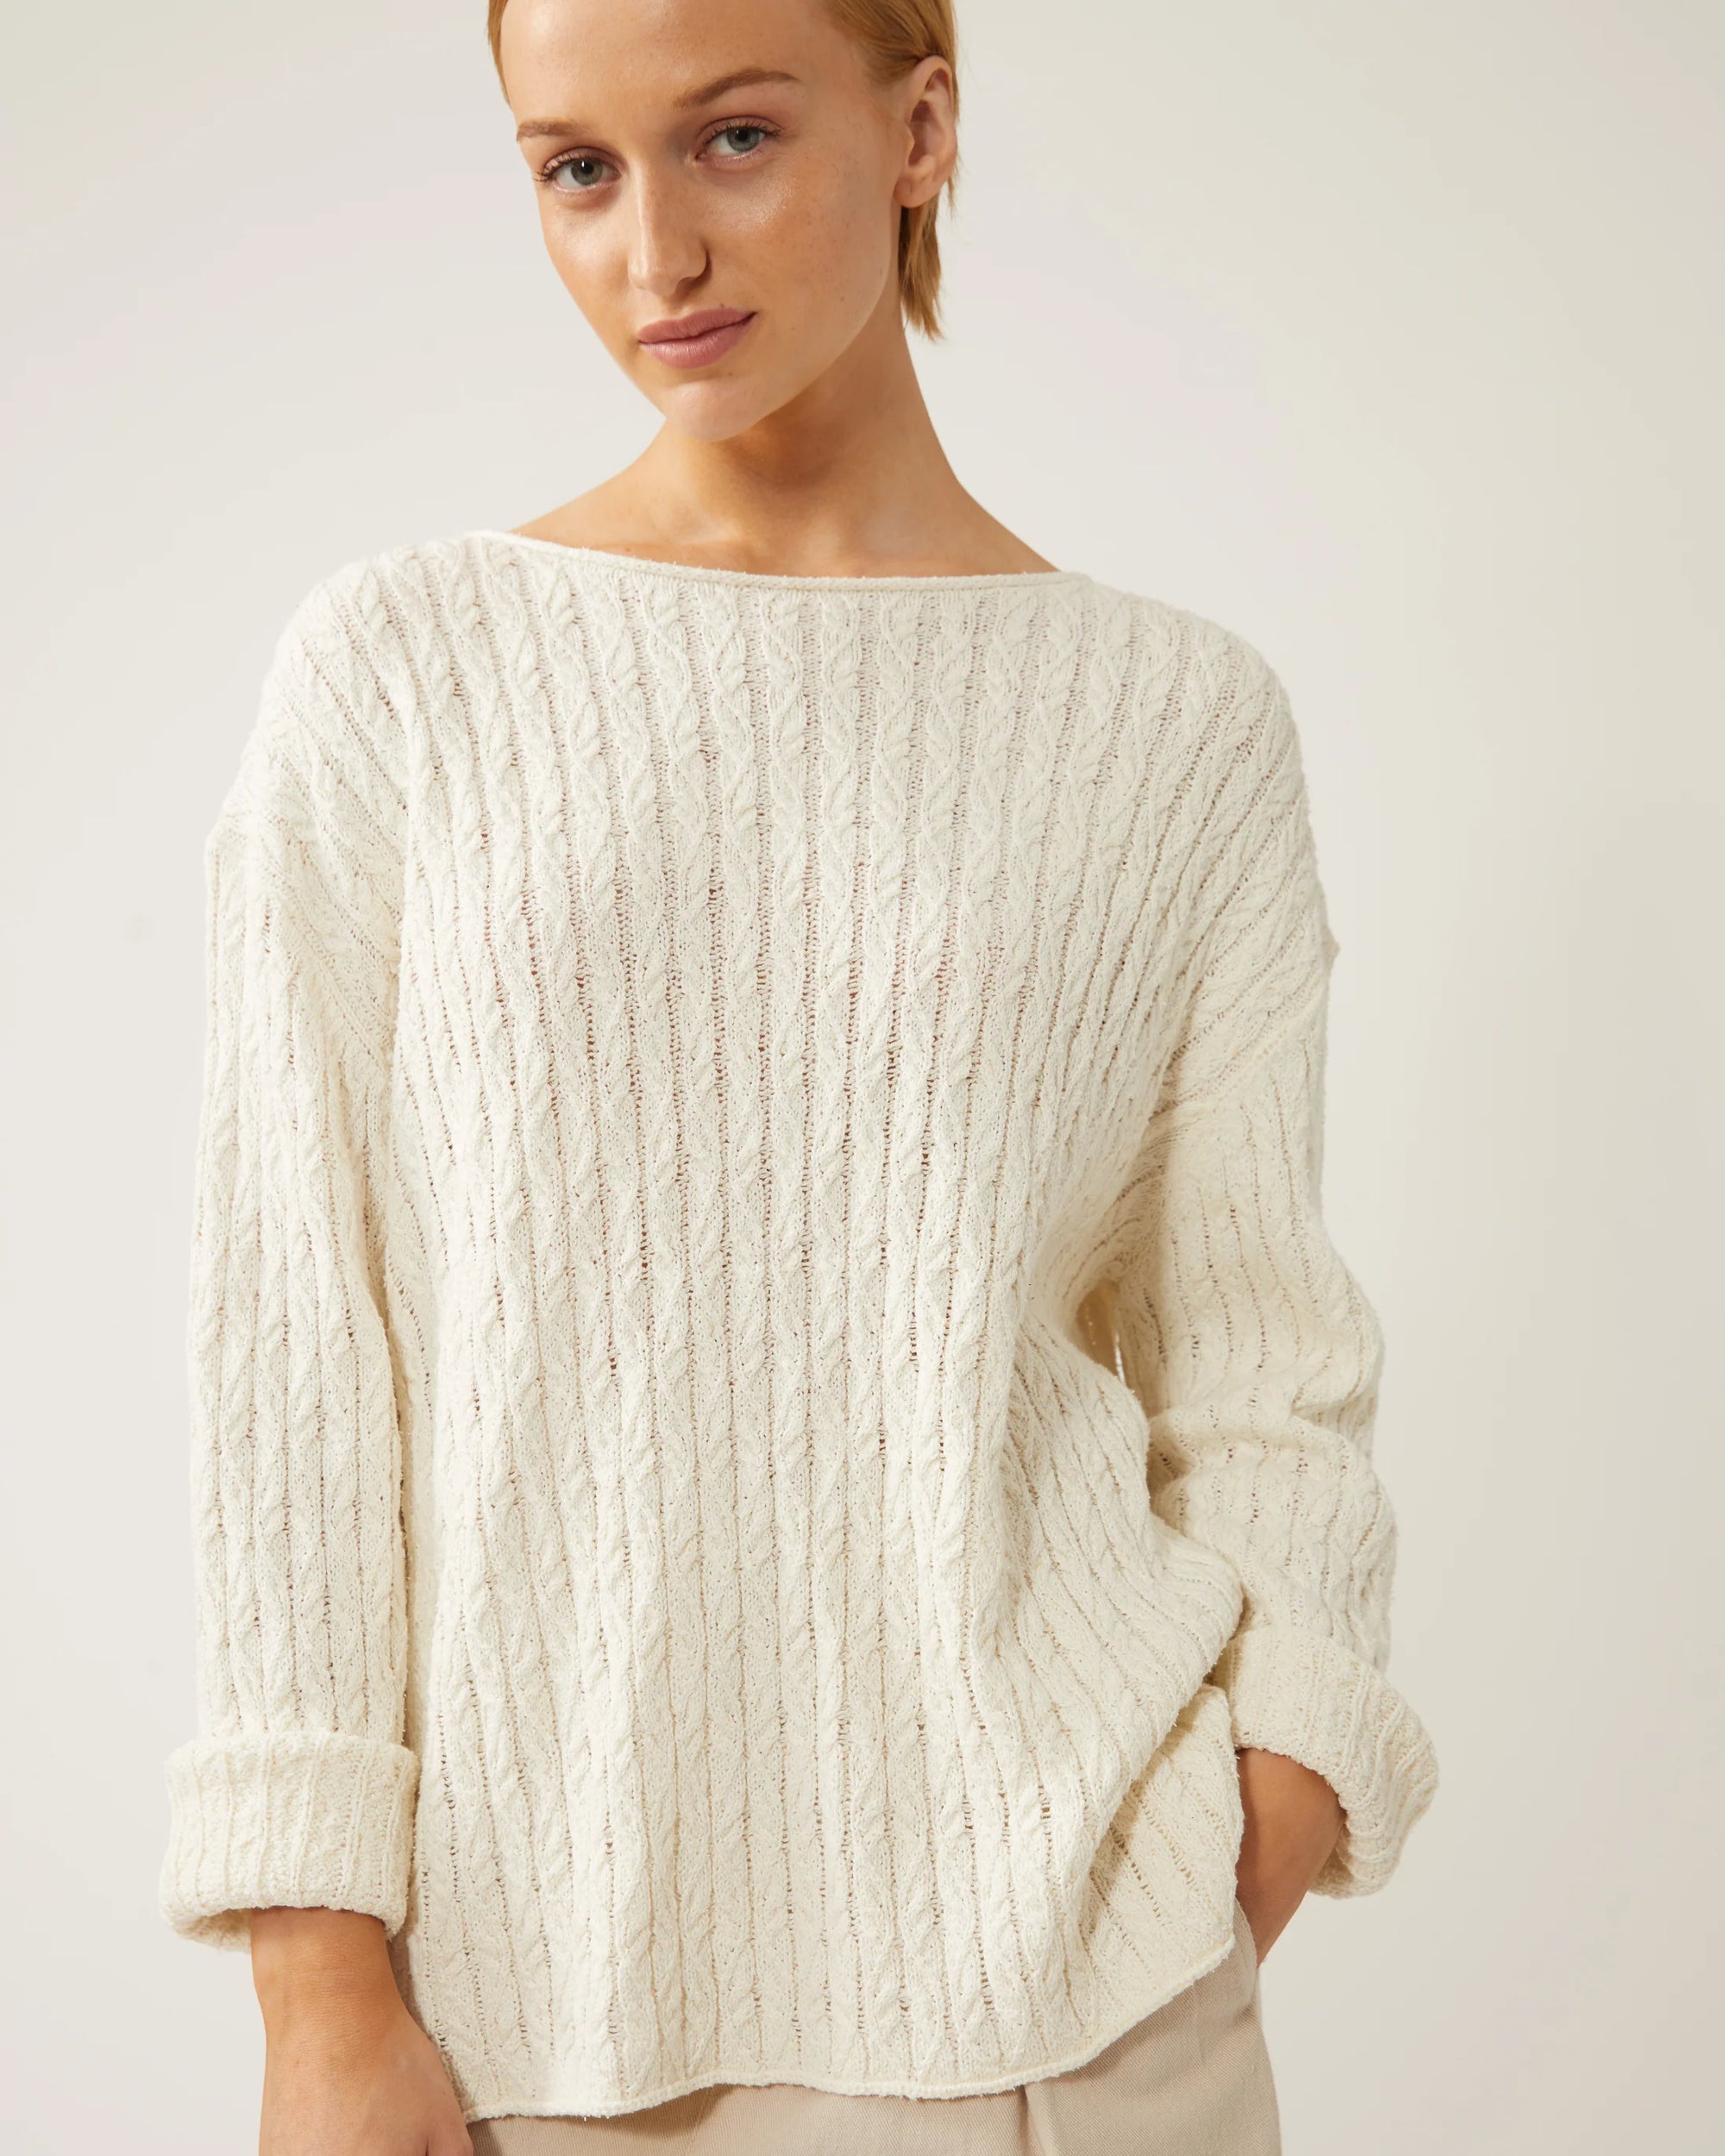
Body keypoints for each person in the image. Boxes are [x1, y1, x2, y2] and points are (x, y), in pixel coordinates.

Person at [158, 0, 1440, 2150]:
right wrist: (316, 1972)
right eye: (576, 168)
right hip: (524, 2005)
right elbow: (296, 1344)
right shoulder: (401, 675)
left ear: (919, 124)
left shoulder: (1172, 720)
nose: (653, 248)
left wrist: (1273, 1790)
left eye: (733, 137)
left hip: (1079, 2004)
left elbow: (1255, 1357)